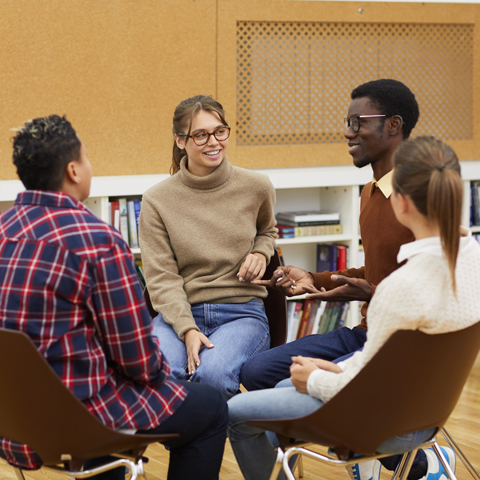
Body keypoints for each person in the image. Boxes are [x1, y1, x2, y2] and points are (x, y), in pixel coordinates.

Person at [228, 135, 476, 480]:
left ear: (400, 203)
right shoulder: (472, 259)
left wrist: (314, 376)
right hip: (427, 413)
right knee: (277, 387)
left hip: (383, 422)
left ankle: (389, 462)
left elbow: (365, 385)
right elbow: (378, 365)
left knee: (238, 412)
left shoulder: (401, 288)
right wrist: (328, 370)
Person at [0, 115, 227, 480]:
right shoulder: (97, 240)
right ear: (74, 170)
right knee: (212, 406)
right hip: (82, 419)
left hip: (14, 419)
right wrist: (164, 375)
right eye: (88, 158)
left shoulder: (3, 230)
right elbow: (138, 359)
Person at [240, 78, 423, 480]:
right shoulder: (369, 193)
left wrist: (374, 293)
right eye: (347, 121)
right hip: (364, 331)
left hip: (400, 344)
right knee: (255, 372)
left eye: (358, 123)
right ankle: (374, 445)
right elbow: (373, 273)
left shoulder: (422, 195)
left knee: (282, 399)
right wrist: (315, 278)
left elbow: (435, 288)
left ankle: (393, 453)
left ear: (393, 126)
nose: (347, 132)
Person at [138, 95, 277, 400]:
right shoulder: (157, 200)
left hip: (242, 311)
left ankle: (213, 444)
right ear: (180, 141)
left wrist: (260, 252)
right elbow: (161, 278)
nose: (213, 142)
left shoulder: (256, 186)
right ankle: (188, 447)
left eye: (220, 131)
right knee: (157, 375)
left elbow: (267, 231)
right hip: (180, 312)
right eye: (200, 135)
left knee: (213, 376)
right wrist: (187, 329)